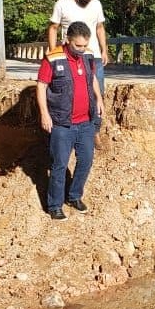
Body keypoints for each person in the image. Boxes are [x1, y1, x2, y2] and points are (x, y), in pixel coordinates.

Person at [36, 21, 104, 220]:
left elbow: (92, 79)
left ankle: (74, 196)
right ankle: (54, 205)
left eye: (85, 45)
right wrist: (44, 113)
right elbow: (41, 86)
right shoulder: (53, 58)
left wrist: (99, 99)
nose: (82, 50)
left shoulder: (88, 55)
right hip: (62, 124)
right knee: (59, 164)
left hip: (86, 123)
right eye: (78, 46)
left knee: (86, 160)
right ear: (68, 40)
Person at [47, 0, 108, 148]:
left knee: (97, 93)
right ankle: (67, 130)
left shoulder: (96, 5)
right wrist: (53, 53)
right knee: (70, 93)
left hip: (93, 56)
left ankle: (94, 131)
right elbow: (53, 28)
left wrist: (104, 50)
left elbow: (100, 27)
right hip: (69, 56)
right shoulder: (62, 5)